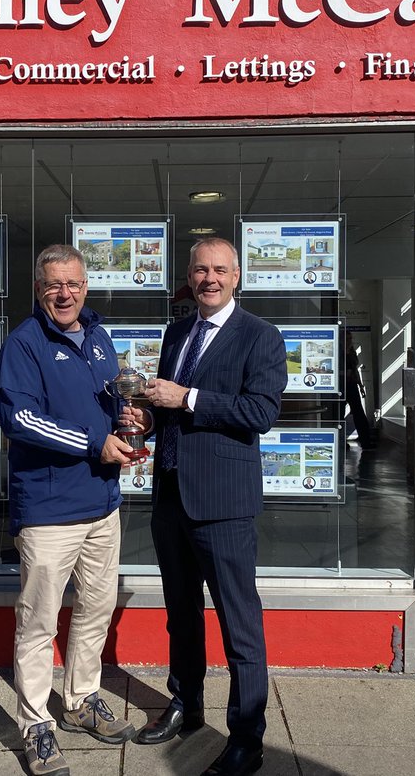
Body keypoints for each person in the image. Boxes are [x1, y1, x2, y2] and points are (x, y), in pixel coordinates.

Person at [123, 236, 286, 776]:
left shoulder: (261, 337)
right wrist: (148, 419)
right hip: (170, 495)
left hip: (223, 502)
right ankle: (185, 704)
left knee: (240, 624)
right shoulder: (178, 330)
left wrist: (186, 398)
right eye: (199, 270)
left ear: (236, 276)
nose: (209, 279)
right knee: (181, 616)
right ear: (189, 277)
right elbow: (167, 405)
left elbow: (259, 412)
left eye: (219, 270)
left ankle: (247, 738)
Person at [0, 244, 139, 776]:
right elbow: (21, 420)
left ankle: (81, 701)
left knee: (96, 610)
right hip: (50, 509)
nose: (65, 294)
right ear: (39, 289)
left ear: (85, 287)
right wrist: (91, 445)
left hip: (102, 503)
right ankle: (36, 725)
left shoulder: (98, 338)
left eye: (74, 284)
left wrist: (127, 421)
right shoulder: (24, 345)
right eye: (55, 285)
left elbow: (108, 403)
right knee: (38, 622)